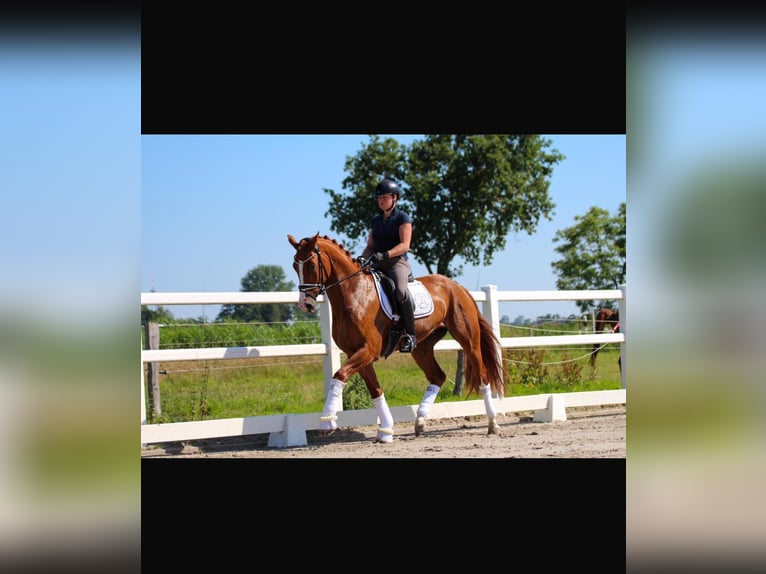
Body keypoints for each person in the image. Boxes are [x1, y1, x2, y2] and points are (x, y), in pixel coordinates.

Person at [357, 178, 417, 353]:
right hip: (377, 262)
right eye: (379, 198)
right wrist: (362, 258)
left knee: (399, 290)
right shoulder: (376, 221)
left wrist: (386, 254)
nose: (381, 200)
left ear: (395, 197)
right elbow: (370, 245)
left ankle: (410, 335)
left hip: (397, 262)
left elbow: (405, 245)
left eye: (384, 197)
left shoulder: (402, 218)